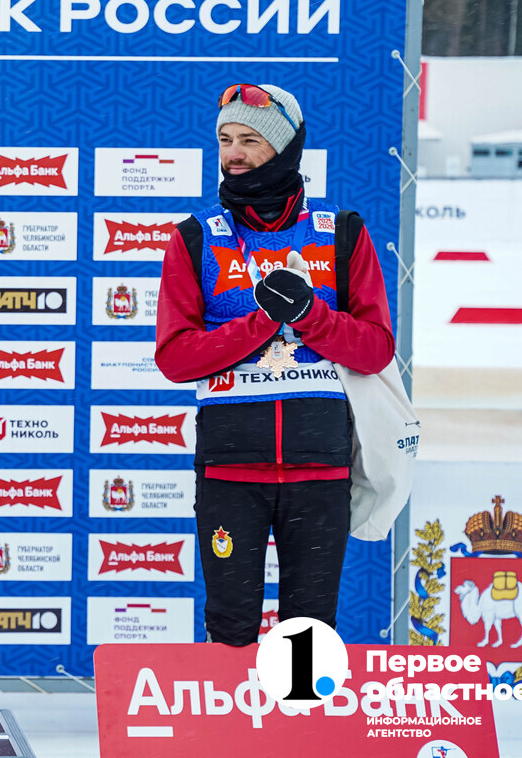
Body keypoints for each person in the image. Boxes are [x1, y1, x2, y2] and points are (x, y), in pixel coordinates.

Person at [154, 83, 394, 646]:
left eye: (250, 140)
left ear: (285, 149)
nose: (233, 153)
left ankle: (299, 729)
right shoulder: (194, 239)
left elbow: (377, 349)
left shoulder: (342, 233)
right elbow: (175, 357)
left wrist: (311, 314)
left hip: (320, 470)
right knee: (231, 626)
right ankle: (231, 736)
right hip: (230, 473)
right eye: (224, 139)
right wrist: (261, 320)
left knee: (308, 632)